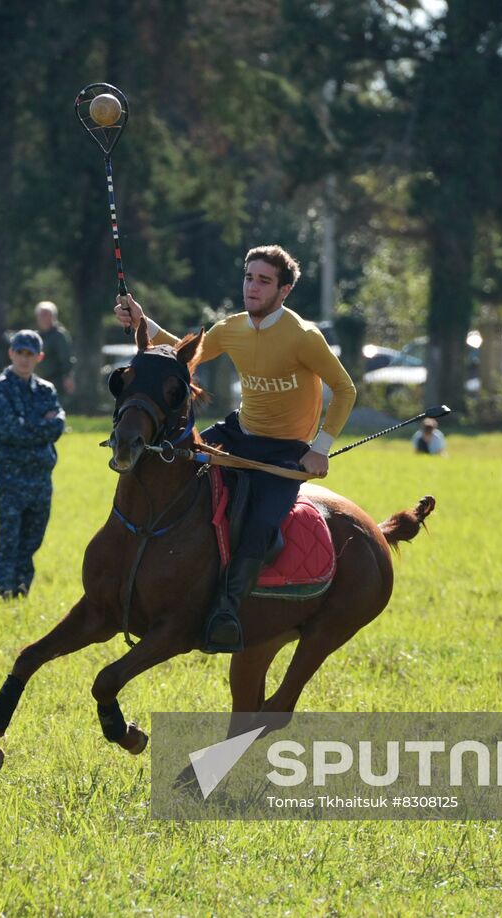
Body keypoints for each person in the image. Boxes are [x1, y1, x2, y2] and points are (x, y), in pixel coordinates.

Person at [115, 244, 356, 653]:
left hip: (285, 452)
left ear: (284, 290)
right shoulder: (232, 328)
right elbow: (184, 354)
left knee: (261, 524)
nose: (252, 287)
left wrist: (320, 448)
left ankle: (225, 611)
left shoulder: (303, 337)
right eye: (248, 278)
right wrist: (143, 321)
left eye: (264, 281)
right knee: (174, 462)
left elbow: (345, 389)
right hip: (238, 432)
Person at [0, 330, 66, 598]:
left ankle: (21, 592)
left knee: (32, 540)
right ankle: (1, 593)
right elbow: (10, 431)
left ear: (39, 357)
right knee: (9, 540)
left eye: (30, 354)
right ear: (11, 353)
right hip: (11, 478)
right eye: (19, 352)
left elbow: (58, 426)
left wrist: (29, 425)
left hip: (41, 479)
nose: (24, 358)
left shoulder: (46, 390)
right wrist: (42, 424)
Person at [35, 301, 76, 404]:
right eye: (41, 315)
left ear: (53, 317)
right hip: (38, 381)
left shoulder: (59, 335)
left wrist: (68, 377)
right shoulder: (36, 336)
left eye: (46, 315)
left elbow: (66, 358)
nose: (43, 318)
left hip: (55, 381)